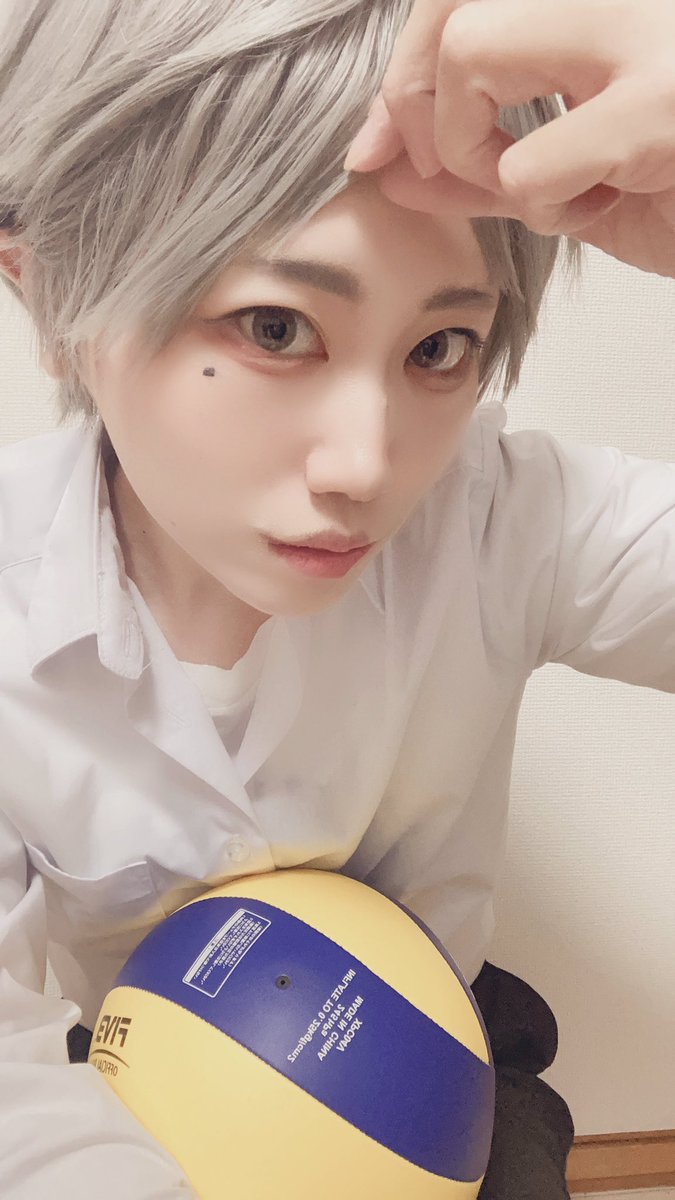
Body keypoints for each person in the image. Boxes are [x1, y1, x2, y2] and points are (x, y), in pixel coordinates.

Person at [0, 1, 672, 1198]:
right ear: (52, 295)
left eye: (440, 349)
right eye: (277, 327)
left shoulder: (500, 518)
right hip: (128, 1104)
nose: (366, 466)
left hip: (445, 1077)